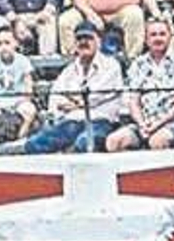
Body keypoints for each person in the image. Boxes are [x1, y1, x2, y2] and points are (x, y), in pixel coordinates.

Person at [26, 20, 127, 153]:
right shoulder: (69, 71)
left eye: (89, 38)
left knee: (84, 143)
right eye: (79, 39)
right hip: (70, 122)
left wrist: (76, 101)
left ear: (98, 41)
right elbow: (56, 98)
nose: (83, 42)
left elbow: (97, 94)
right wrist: (76, 103)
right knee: (33, 144)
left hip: (100, 121)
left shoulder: (111, 66)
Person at [106, 17, 174, 152]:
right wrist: (142, 124)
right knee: (114, 141)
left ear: (170, 37)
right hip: (145, 122)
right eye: (153, 35)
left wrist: (158, 124)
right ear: (146, 39)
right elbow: (133, 101)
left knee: (157, 141)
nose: (158, 38)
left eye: (162, 34)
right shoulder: (138, 64)